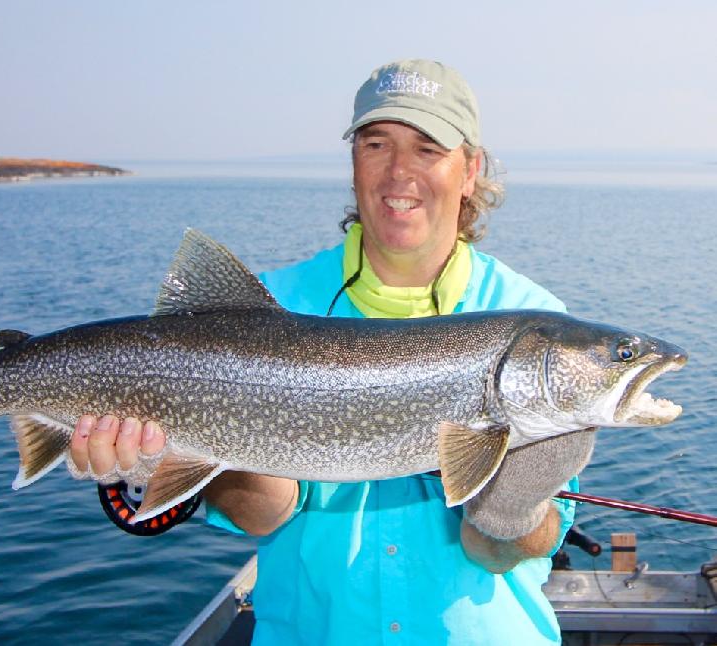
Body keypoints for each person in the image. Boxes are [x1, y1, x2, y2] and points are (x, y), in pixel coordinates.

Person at [69, 59, 590, 645]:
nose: (399, 172)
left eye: (427, 148)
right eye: (376, 144)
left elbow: (496, 553)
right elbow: (265, 514)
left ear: (470, 169)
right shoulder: (267, 307)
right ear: (352, 162)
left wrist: (510, 511)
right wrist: (163, 458)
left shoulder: (535, 325)